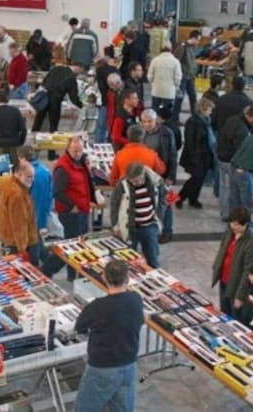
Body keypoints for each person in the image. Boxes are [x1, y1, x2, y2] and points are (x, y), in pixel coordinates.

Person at [74, 260, 143, 412]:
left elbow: (79, 326)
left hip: (103, 367)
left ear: (104, 277)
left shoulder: (98, 306)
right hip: (129, 364)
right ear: (128, 278)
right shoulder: (136, 299)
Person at [42, 137, 97, 281]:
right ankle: (46, 269)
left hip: (82, 210)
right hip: (71, 213)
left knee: (78, 246)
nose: (78, 153)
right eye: (75, 151)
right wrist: (71, 206)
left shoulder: (81, 161)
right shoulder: (63, 167)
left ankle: (73, 276)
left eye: (80, 150)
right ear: (68, 149)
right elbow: (57, 192)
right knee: (70, 247)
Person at [110, 163, 164, 268]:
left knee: (152, 258)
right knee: (128, 259)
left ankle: (153, 277)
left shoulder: (154, 181)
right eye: (132, 181)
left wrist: (159, 220)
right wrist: (115, 226)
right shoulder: (122, 184)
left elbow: (162, 200)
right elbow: (114, 205)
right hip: (130, 228)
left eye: (138, 180)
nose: (135, 183)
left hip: (150, 226)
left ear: (143, 175)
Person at [217, 104, 253, 221]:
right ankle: (232, 216)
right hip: (231, 161)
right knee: (233, 191)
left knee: (224, 187)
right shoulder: (243, 129)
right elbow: (241, 149)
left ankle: (225, 213)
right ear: (252, 117)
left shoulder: (232, 119)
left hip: (221, 157)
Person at [211, 208, 253, 316]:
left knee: (234, 316)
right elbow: (222, 249)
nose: (233, 226)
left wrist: (240, 296)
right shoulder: (229, 231)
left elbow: (248, 270)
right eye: (232, 223)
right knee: (224, 312)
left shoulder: (252, 242)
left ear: (245, 224)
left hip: (236, 285)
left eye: (237, 224)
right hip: (224, 279)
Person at [32, 63, 83, 160]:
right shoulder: (71, 78)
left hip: (44, 98)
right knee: (53, 128)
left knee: (37, 124)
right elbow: (74, 97)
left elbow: (44, 81)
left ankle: (32, 150)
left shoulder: (56, 68)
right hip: (55, 102)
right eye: (80, 70)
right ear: (78, 67)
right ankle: (51, 154)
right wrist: (82, 105)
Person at [141, 109, 177, 243]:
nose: (147, 124)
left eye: (150, 121)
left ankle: (167, 231)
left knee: (165, 203)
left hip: (162, 174)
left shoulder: (166, 133)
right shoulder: (141, 133)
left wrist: (171, 177)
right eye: (144, 122)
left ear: (156, 120)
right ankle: (151, 231)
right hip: (145, 175)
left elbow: (172, 155)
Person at [0, 159, 40, 266]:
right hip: (21, 242)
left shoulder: (5, 181)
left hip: (7, 235)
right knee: (28, 272)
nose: (32, 180)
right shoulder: (18, 195)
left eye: (33, 176)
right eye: (29, 177)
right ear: (19, 174)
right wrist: (22, 249)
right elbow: (19, 224)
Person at [178, 98, 215, 209]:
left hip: (205, 155)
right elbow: (190, 141)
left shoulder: (206, 120)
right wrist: (194, 157)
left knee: (200, 178)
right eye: (209, 109)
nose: (211, 112)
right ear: (203, 109)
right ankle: (181, 197)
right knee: (196, 178)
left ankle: (193, 199)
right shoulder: (193, 121)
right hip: (196, 155)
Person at [19, 145, 52, 252]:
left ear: (23, 158)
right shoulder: (45, 170)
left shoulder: (27, 174)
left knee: (33, 248)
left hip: (31, 216)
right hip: (44, 214)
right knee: (40, 243)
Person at [0, 88, 26, 165]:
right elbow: (23, 129)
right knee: (15, 168)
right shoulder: (16, 111)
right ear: (8, 99)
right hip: (14, 144)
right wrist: (20, 142)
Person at [147, 43, 182, 124]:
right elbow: (178, 78)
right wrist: (176, 86)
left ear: (160, 50)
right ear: (171, 50)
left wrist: (153, 83)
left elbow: (149, 75)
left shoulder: (155, 60)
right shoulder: (175, 62)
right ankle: (166, 126)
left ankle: (154, 125)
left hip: (156, 90)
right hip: (169, 92)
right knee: (167, 113)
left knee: (154, 111)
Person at [173, 30, 200, 118]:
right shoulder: (182, 47)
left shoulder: (193, 47)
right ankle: (175, 118)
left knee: (193, 97)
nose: (198, 42)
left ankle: (195, 116)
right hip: (183, 77)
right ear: (193, 38)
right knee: (179, 98)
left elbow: (193, 60)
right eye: (198, 40)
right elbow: (176, 61)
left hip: (191, 77)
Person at [95, 53, 120, 144]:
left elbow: (100, 87)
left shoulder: (99, 70)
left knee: (101, 126)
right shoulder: (116, 70)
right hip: (115, 101)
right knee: (111, 124)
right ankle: (109, 144)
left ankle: (98, 145)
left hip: (104, 101)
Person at [108, 86, 139, 152]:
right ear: (126, 100)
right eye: (134, 98)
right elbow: (116, 138)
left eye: (137, 98)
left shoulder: (134, 113)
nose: (137, 100)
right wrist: (132, 143)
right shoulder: (120, 117)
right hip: (123, 150)